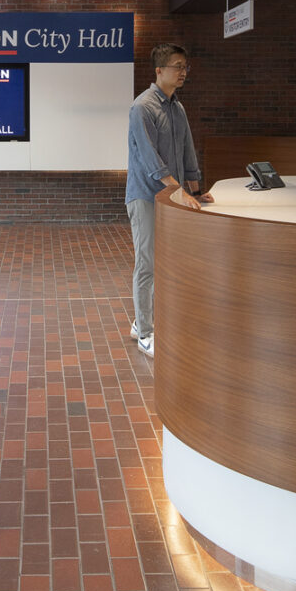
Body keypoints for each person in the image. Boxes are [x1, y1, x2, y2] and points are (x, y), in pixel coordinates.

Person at [124, 42, 203, 357]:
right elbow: (149, 158)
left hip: (171, 197)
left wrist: (195, 190)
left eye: (185, 67)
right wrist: (176, 189)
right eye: (177, 66)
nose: (183, 72)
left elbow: (187, 151)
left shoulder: (177, 107)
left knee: (164, 262)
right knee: (146, 264)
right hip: (145, 196)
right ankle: (145, 333)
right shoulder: (142, 107)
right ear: (159, 71)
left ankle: (138, 321)